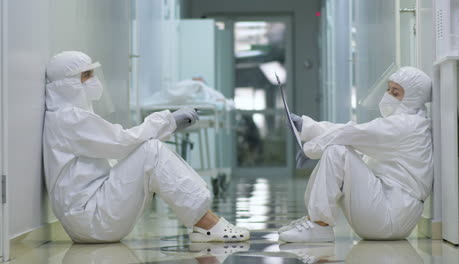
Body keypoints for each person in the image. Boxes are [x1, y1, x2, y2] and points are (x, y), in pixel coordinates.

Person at [43, 51, 249, 243]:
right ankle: (207, 225)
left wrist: (168, 123)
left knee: (149, 150)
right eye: (86, 75)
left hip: (89, 216)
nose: (94, 80)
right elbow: (121, 142)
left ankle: (205, 222)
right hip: (91, 220)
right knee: (151, 151)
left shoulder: (67, 115)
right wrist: (168, 120)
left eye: (92, 73)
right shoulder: (68, 118)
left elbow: (119, 143)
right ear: (66, 84)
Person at [278, 67, 433, 242]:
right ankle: (313, 219)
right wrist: (306, 126)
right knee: (341, 149)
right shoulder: (411, 123)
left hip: (390, 216)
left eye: (395, 92)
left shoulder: (406, 125)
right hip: (391, 215)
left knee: (337, 150)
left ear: (412, 98)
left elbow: (352, 134)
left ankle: (319, 225)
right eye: (388, 89)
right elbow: (353, 132)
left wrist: (312, 147)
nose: (388, 95)